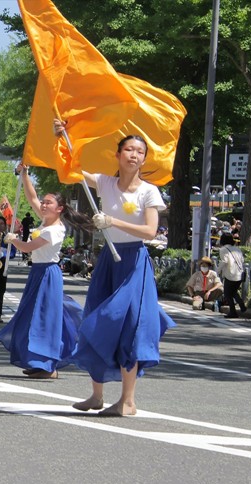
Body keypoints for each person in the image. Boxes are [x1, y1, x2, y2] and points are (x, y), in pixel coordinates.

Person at [56, 120, 175, 416]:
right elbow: (69, 171)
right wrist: (61, 137)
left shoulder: (149, 192)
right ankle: (96, 395)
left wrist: (112, 221)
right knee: (95, 321)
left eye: (140, 152)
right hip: (108, 260)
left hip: (134, 264)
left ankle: (128, 400)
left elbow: (150, 231)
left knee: (129, 328)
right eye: (129, 150)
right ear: (118, 155)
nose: (134, 155)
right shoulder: (105, 182)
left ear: (144, 159)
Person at [0, 165, 88, 378]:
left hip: (48, 273)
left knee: (45, 318)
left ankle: (49, 365)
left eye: (49, 203)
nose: (43, 205)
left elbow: (28, 248)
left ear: (59, 208)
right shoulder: (46, 221)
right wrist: (25, 174)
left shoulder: (55, 230)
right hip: (38, 272)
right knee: (33, 316)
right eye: (44, 202)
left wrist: (13, 240)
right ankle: (40, 361)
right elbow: (32, 196)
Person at [216, 233, 246, 318]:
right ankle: (241, 305)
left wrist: (218, 271)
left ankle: (233, 312)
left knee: (227, 294)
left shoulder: (223, 249)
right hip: (240, 274)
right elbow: (242, 260)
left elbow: (224, 261)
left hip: (230, 274)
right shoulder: (237, 249)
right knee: (233, 291)